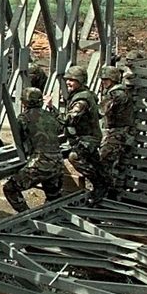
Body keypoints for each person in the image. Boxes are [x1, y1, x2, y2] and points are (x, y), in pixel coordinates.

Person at [45, 64, 103, 202]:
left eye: (72, 80)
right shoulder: (82, 94)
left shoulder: (82, 100)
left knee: (74, 157)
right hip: (86, 137)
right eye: (67, 79)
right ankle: (103, 183)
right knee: (95, 163)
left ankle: (99, 185)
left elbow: (68, 119)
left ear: (80, 81)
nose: (68, 82)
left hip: (88, 139)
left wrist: (51, 107)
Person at [2, 87, 62, 212]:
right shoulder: (50, 116)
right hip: (58, 163)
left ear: (24, 102)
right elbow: (60, 128)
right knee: (53, 194)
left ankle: (26, 215)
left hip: (40, 163)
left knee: (10, 188)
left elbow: (19, 139)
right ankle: (54, 212)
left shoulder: (24, 118)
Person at [97, 65, 135, 200]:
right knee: (118, 167)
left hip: (118, 134)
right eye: (102, 79)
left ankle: (107, 196)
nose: (103, 82)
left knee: (104, 163)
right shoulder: (122, 91)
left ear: (113, 79)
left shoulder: (117, 94)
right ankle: (115, 195)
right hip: (122, 134)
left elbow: (100, 110)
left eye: (106, 79)